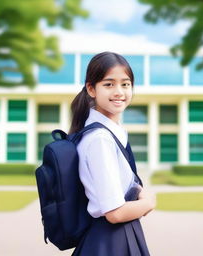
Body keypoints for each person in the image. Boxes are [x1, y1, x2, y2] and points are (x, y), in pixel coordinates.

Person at [68, 51, 156, 256]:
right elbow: (115, 213)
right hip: (111, 241)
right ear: (91, 89)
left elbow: (122, 185)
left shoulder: (109, 134)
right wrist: (149, 202)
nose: (119, 91)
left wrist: (138, 189)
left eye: (125, 84)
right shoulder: (100, 139)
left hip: (113, 238)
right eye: (109, 84)